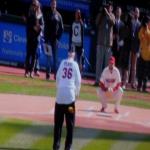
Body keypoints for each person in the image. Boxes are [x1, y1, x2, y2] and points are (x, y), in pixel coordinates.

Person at [53, 45, 81, 150]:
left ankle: (56, 146)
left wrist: (59, 89)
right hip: (70, 99)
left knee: (58, 124)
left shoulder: (62, 63)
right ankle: (67, 147)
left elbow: (58, 78)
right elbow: (78, 81)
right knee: (70, 124)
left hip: (60, 98)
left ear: (68, 53)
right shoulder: (75, 64)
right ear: (73, 54)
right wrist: (76, 94)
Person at [94, 1, 115, 86]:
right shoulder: (101, 15)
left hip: (108, 45)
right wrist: (101, 13)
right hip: (100, 42)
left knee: (107, 64)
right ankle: (97, 81)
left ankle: (106, 82)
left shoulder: (112, 15)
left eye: (109, 7)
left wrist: (107, 13)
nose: (107, 8)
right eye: (106, 7)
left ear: (111, 8)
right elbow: (96, 22)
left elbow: (112, 22)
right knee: (99, 63)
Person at [44, 0, 64, 80]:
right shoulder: (47, 14)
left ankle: (56, 75)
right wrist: (45, 38)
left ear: (56, 5)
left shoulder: (58, 15)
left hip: (55, 41)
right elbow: (45, 27)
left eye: (54, 4)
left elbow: (62, 28)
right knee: (48, 58)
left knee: (55, 59)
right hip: (48, 40)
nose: (53, 5)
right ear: (50, 5)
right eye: (52, 4)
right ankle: (48, 75)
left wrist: (58, 38)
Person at [25, 0, 44, 78]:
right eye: (33, 4)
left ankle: (32, 72)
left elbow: (43, 25)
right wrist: (33, 27)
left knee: (34, 56)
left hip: (37, 38)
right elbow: (28, 23)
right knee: (28, 54)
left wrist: (39, 28)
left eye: (35, 5)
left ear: (38, 5)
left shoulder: (40, 15)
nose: (34, 6)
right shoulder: (30, 13)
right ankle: (27, 71)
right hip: (30, 36)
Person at [137, 15, 150, 92]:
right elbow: (140, 37)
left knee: (146, 72)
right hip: (142, 53)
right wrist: (145, 29)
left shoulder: (148, 30)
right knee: (140, 71)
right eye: (148, 22)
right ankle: (139, 86)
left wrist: (147, 29)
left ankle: (144, 87)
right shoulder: (142, 29)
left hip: (148, 55)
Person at [129, 7, 141, 88]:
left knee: (134, 66)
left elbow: (140, 39)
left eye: (137, 12)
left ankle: (133, 83)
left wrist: (139, 50)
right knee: (128, 65)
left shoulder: (140, 25)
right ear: (133, 13)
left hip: (136, 48)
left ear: (139, 14)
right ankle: (125, 82)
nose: (136, 13)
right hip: (129, 47)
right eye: (135, 12)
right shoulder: (130, 22)